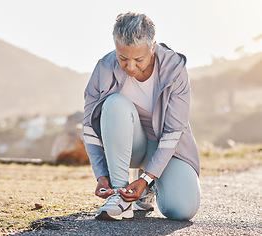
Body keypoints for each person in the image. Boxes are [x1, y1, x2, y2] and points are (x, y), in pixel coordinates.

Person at [83, 12, 201, 221]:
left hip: (166, 146)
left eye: (138, 59)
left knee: (183, 209)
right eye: (122, 58)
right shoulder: (103, 68)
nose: (130, 67)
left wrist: (147, 178)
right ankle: (120, 197)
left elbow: (175, 131)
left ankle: (148, 185)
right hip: (129, 147)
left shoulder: (174, 69)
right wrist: (101, 175)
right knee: (114, 104)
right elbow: (89, 128)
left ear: (152, 48)